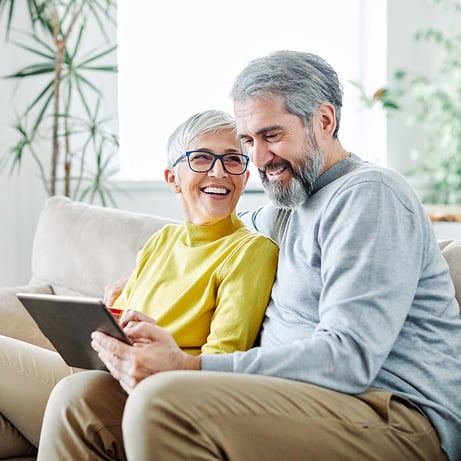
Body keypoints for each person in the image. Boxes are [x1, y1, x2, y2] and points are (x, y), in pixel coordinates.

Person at [37, 51, 461, 461]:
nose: (257, 159)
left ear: (325, 121)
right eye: (248, 140)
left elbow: (348, 359)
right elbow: (207, 233)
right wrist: (135, 287)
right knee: (82, 400)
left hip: (394, 416)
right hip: (298, 400)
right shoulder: (287, 205)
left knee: (161, 400)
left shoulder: (370, 196)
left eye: (271, 136)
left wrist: (190, 365)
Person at [0, 109, 278, 459]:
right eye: (203, 158)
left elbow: (223, 358)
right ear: (172, 178)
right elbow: (124, 320)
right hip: (102, 369)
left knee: (70, 393)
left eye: (233, 160)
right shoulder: (163, 241)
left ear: (244, 173)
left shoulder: (250, 250)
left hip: (150, 388)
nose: (219, 171)